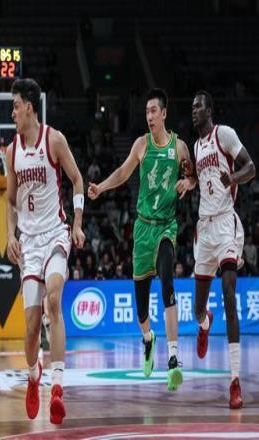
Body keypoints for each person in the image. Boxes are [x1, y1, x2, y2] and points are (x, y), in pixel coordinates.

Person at [88, 88, 191, 392]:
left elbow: (193, 175)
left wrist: (188, 181)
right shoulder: (141, 144)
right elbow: (123, 173)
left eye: (153, 111)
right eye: (146, 111)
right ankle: (148, 338)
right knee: (141, 310)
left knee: (168, 282)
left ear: (164, 114)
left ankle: (173, 359)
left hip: (166, 226)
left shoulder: (179, 147)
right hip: (143, 229)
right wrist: (101, 188)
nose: (149, 116)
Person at [6, 78, 85, 424]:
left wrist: (77, 224)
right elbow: (10, 201)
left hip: (55, 233)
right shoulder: (11, 151)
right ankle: (33, 374)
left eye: (15, 106)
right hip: (29, 243)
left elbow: (77, 179)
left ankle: (57, 388)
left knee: (54, 300)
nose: (12, 113)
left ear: (29, 108)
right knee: (31, 327)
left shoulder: (54, 139)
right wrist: (10, 234)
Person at [184, 90, 255, 408]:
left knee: (229, 294)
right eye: (192, 107)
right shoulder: (197, 147)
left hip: (226, 224)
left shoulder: (223, 134)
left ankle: (235, 381)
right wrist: (188, 182)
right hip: (205, 229)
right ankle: (204, 323)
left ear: (209, 110)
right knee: (198, 310)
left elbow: (251, 167)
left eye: (198, 106)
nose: (194, 111)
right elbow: (201, 181)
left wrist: (234, 177)